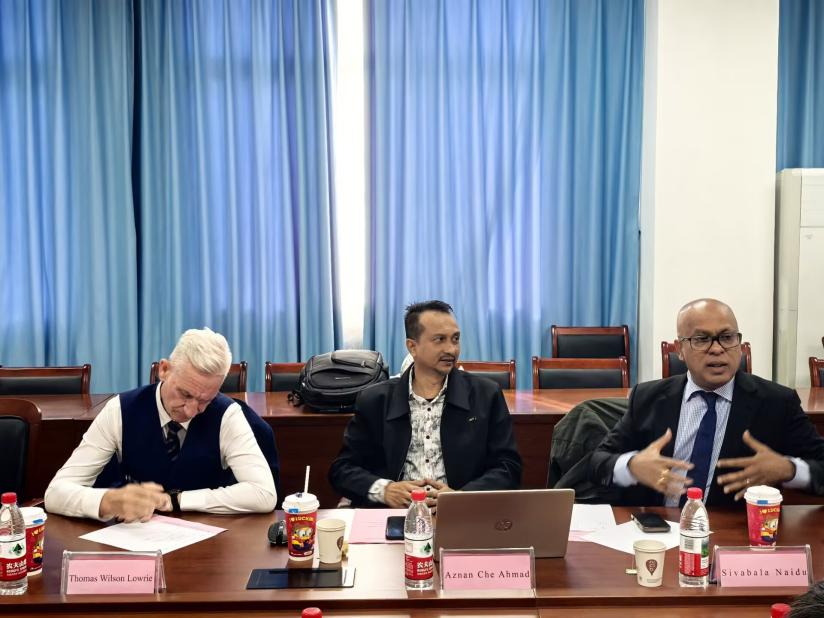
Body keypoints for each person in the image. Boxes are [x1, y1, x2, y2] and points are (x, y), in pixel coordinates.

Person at [590, 298, 824, 507]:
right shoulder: (648, 398)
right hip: (661, 528)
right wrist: (632, 466)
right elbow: (598, 461)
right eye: (702, 339)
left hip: (735, 532)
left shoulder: (777, 403)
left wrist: (789, 469)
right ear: (680, 349)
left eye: (727, 337)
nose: (717, 349)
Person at [45, 328, 277, 522]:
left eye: (205, 401)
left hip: (210, 543)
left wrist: (176, 500)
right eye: (185, 394)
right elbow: (55, 493)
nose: (190, 411)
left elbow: (264, 494)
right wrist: (106, 501)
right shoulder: (119, 410)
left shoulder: (228, 415)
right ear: (163, 370)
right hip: (136, 542)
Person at [328, 300, 522, 508]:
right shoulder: (375, 400)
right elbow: (342, 470)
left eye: (455, 339)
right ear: (412, 347)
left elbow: (508, 467)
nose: (451, 349)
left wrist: (463, 497)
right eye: (439, 340)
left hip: (460, 512)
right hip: (394, 513)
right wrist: (385, 490)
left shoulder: (486, 394)